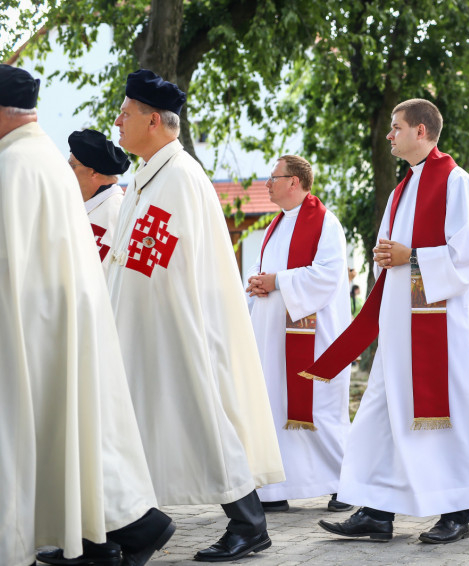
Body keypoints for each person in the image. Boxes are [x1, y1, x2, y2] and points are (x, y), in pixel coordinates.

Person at [107, 69, 285, 561]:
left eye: (125, 113)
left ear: (154, 121)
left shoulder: (179, 177)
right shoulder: (148, 176)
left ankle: (249, 524)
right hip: (145, 328)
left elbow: (162, 265)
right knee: (133, 425)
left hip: (176, 329)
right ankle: (121, 527)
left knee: (204, 420)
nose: (117, 121)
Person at [0, 64, 174, 566]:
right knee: (75, 438)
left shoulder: (16, 165)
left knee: (66, 436)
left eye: (128, 113)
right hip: (63, 320)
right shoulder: (42, 158)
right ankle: (105, 539)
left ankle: (132, 530)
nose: (119, 121)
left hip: (44, 324)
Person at [301, 99, 469, 543]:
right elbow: (392, 254)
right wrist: (387, 256)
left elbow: (468, 258)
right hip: (399, 325)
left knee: (445, 417)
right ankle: (376, 511)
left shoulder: (456, 182)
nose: (389, 134)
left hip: (440, 328)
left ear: (421, 131)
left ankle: (456, 514)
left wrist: (412, 256)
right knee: (381, 416)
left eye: (396, 127)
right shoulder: (401, 189)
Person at [244, 155, 352, 514]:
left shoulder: (325, 223)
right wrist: (258, 282)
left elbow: (326, 276)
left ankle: (346, 483)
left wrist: (276, 282)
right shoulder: (275, 225)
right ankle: (275, 490)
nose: (267, 184)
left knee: (318, 412)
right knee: (274, 409)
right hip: (272, 339)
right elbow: (268, 269)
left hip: (314, 339)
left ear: (294, 181)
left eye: (273, 178)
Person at [67, 128, 129, 274]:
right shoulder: (87, 207)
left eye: (72, 165)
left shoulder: (115, 211)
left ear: (93, 172)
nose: (67, 170)